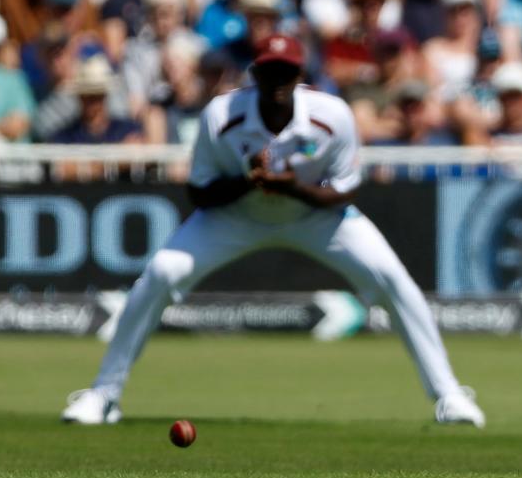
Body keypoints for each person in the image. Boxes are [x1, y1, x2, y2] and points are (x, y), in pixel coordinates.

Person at [61, 34, 485, 429]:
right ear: (255, 75)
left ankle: (449, 395)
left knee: (394, 279)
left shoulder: (332, 116)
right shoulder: (221, 115)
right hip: (236, 215)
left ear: (300, 76)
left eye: (287, 72)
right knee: (162, 272)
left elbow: (345, 190)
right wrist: (250, 181)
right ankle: (103, 394)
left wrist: (293, 189)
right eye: (269, 72)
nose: (278, 81)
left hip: (316, 217)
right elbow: (200, 193)